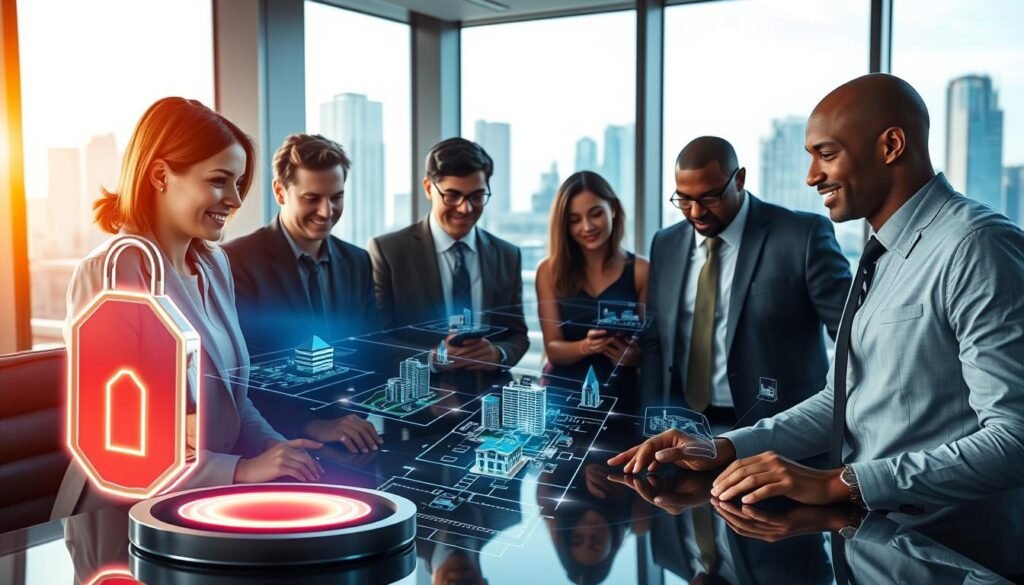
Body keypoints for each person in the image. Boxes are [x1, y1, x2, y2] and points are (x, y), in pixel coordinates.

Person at [610, 74, 1024, 538]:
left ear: (890, 146)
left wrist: (842, 481)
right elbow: (841, 403)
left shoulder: (977, 246)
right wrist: (723, 447)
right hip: (876, 538)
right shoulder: (882, 254)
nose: (811, 177)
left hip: (955, 551)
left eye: (826, 155)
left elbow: (1016, 440)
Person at [51, 98, 323, 520]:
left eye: (239, 183)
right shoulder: (112, 271)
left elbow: (233, 401)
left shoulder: (214, 264)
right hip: (121, 515)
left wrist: (274, 448)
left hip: (204, 502)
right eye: (219, 180)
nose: (234, 199)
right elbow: (118, 440)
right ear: (161, 175)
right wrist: (242, 470)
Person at [640, 136, 851, 431]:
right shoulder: (666, 244)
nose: (696, 212)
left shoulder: (802, 236)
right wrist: (650, 422)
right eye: (684, 199)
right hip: (683, 425)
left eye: (710, 197)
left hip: (778, 428)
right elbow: (656, 342)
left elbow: (852, 335)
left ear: (739, 180)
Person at [223, 133, 381, 454]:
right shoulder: (235, 262)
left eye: (336, 197)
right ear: (280, 192)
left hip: (350, 437)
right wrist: (312, 424)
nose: (326, 211)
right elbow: (242, 374)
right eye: (312, 198)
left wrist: (350, 416)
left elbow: (369, 350)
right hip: (272, 441)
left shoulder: (358, 261)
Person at [368, 137, 529, 387]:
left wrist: (498, 354)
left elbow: (518, 335)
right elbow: (378, 341)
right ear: (428, 187)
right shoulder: (389, 252)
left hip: (490, 402)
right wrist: (432, 359)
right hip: (416, 404)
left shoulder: (507, 255)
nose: (465, 209)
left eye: (477, 196)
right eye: (452, 196)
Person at [535, 171, 648, 411]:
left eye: (595, 214)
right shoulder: (548, 271)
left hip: (622, 401)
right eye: (575, 219)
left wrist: (635, 357)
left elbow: (653, 347)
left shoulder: (641, 270)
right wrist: (586, 346)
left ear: (614, 209)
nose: (587, 227)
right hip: (560, 400)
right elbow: (553, 349)